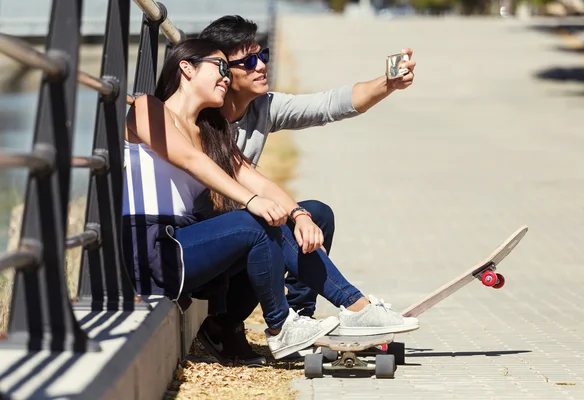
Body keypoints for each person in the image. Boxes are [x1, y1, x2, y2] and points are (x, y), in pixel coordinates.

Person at [121, 38, 419, 362]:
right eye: (220, 67)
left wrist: (299, 214)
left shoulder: (208, 131)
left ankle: (346, 308)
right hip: (152, 250)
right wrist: (251, 202)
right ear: (187, 67)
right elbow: (191, 161)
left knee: (286, 217)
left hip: (186, 245)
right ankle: (285, 327)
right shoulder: (147, 108)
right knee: (255, 222)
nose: (225, 77)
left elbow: (256, 180)